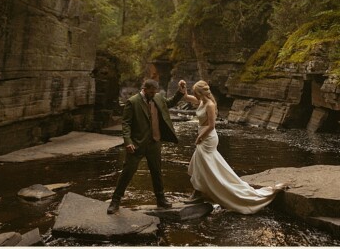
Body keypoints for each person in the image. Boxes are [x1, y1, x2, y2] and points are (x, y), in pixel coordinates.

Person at [182, 80, 285, 214]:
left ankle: (201, 193)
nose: (194, 95)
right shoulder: (201, 101)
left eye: (196, 93)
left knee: (203, 165)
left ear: (201, 93)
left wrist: (200, 136)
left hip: (207, 137)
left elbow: (212, 126)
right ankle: (198, 193)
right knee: (200, 164)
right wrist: (183, 89)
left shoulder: (210, 105)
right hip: (202, 136)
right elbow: (187, 97)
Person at [108, 79, 185, 214]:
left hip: (154, 143)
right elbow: (126, 123)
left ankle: (161, 199)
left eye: (155, 92)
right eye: (151, 92)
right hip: (137, 144)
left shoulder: (158, 97)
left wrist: (180, 92)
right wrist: (128, 141)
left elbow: (170, 103)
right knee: (127, 172)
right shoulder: (133, 102)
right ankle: (115, 201)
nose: (153, 94)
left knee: (157, 172)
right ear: (144, 89)